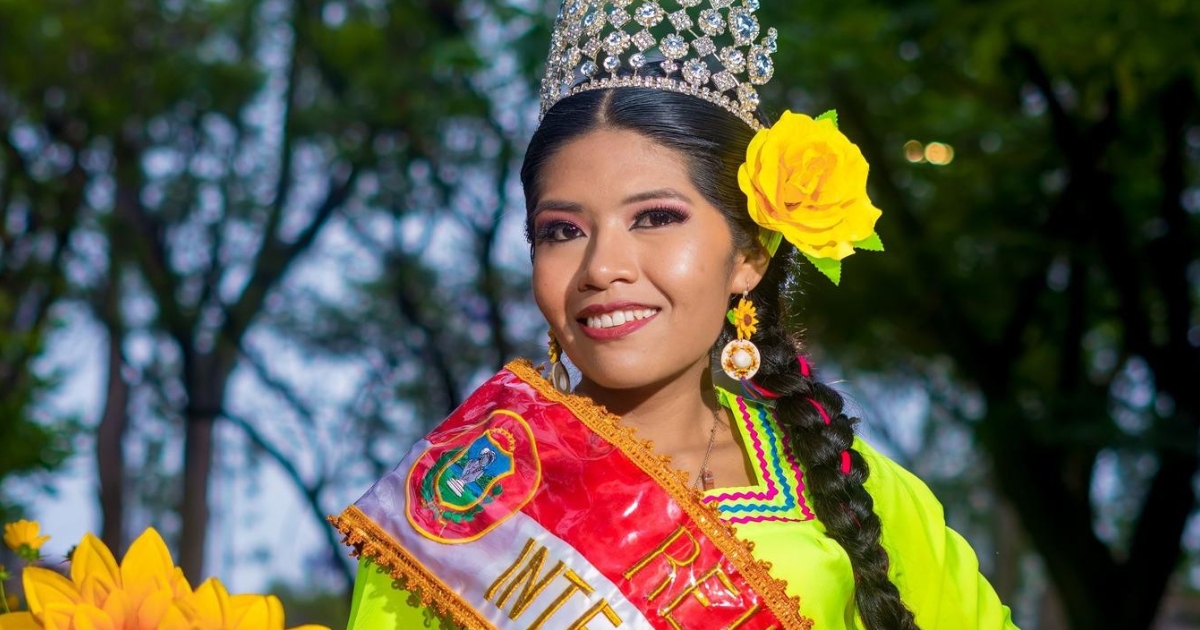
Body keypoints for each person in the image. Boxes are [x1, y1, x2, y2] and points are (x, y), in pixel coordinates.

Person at [332, 1, 1020, 628]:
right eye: (562, 231)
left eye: (656, 218)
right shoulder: (464, 498)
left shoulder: (850, 485)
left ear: (749, 253)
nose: (602, 267)